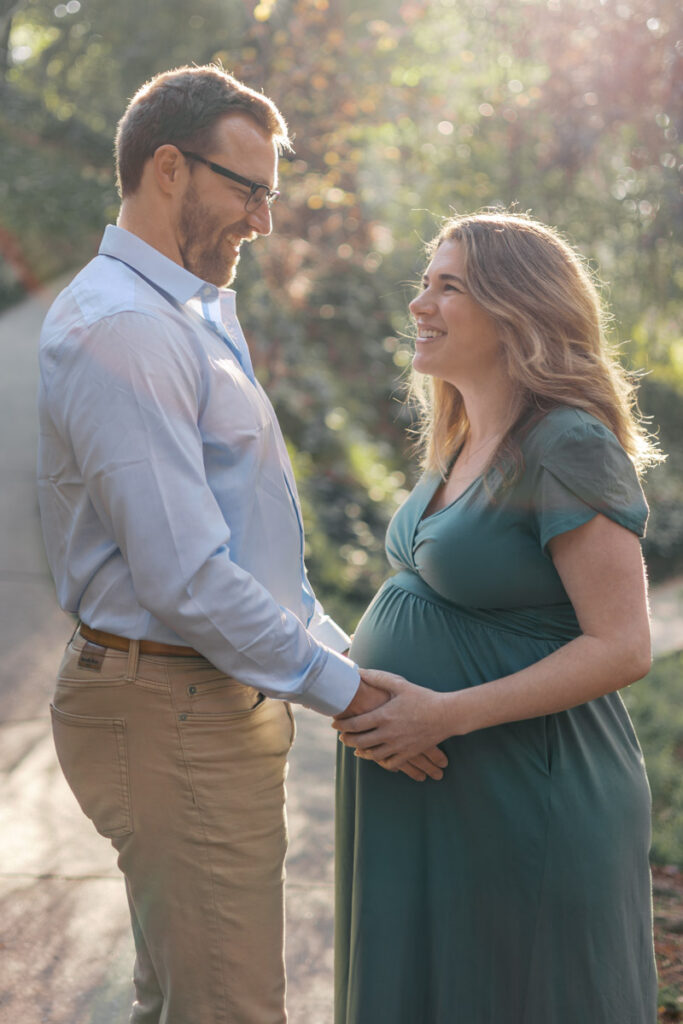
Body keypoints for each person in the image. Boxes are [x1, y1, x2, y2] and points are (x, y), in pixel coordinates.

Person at [37, 65, 445, 1024]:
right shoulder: (128, 328)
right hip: (171, 705)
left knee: (185, 1000)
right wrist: (352, 698)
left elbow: (248, 546)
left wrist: (347, 662)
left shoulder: (186, 314)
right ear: (168, 168)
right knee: (228, 1009)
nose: (262, 220)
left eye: (271, 194)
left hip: (195, 697)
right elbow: (185, 577)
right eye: (247, 189)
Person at [333, 211, 661, 1024]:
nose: (419, 304)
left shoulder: (567, 442)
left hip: (524, 791)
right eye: (424, 283)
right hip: (438, 793)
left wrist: (444, 714)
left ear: (517, 310)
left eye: (448, 287)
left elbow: (622, 645)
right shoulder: (461, 437)